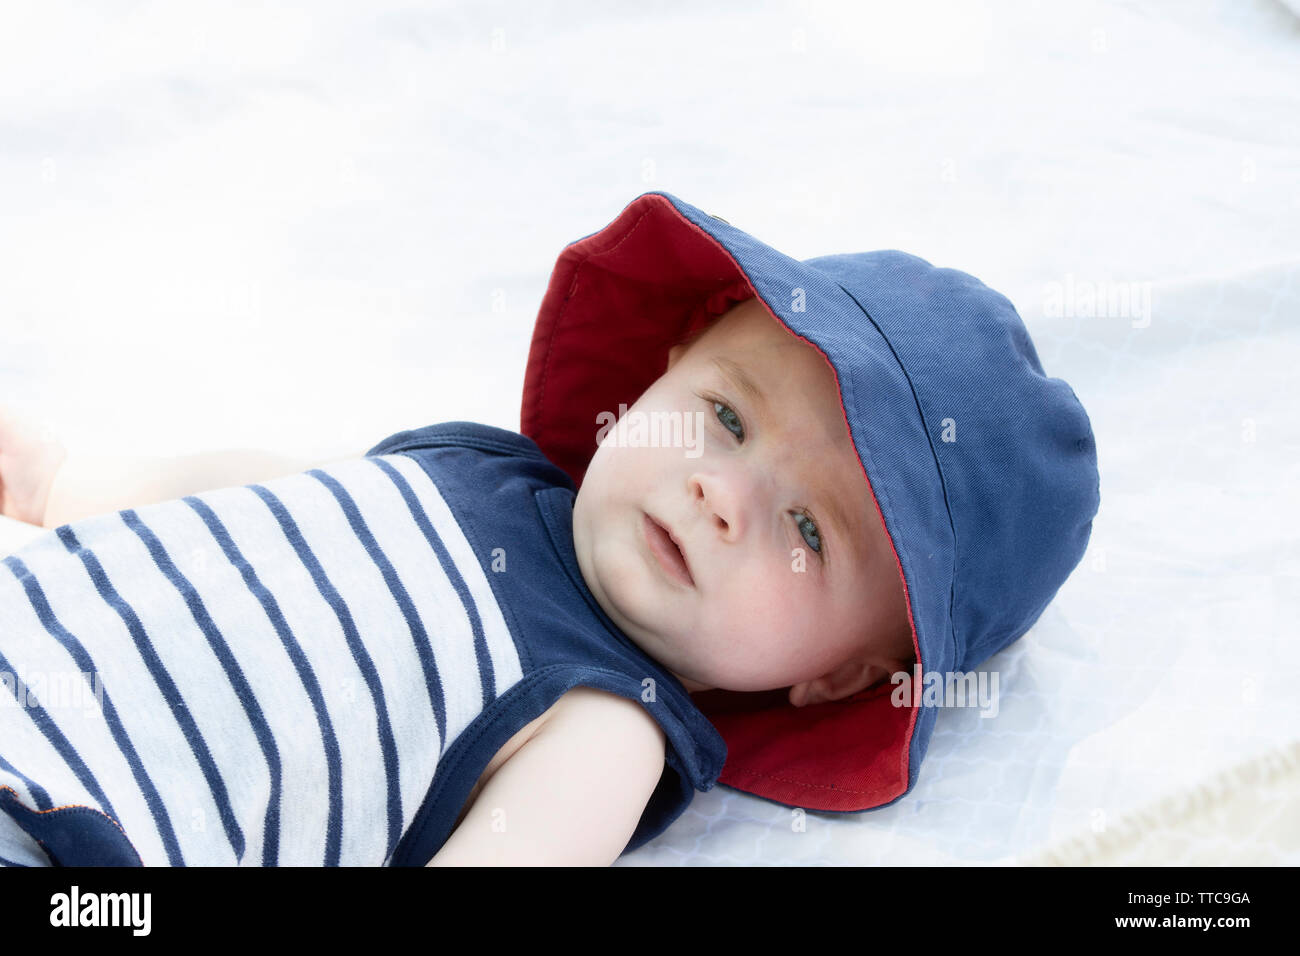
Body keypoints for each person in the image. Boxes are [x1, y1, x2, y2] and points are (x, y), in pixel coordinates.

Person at [0, 191, 1099, 866]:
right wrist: (68, 480)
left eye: (809, 528)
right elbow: (282, 493)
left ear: (840, 676)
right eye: (724, 416)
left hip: (84, 831)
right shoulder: (472, 463)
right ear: (673, 359)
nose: (725, 492)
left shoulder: (607, 721)